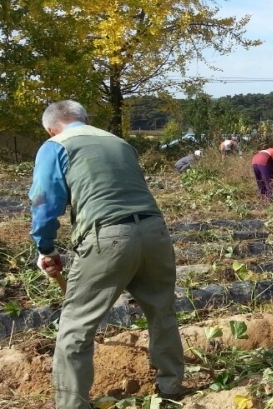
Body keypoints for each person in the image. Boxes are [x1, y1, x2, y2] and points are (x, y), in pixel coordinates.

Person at [28, 100, 185, 408]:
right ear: (86, 119)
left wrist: (45, 247)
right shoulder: (120, 143)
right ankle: (171, 388)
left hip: (109, 236)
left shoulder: (55, 145)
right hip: (155, 231)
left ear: (50, 127)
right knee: (161, 312)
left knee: (76, 326)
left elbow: (45, 202)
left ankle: (71, 403)